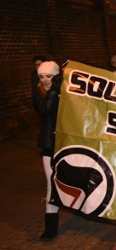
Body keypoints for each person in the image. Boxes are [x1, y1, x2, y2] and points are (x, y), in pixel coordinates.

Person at [32, 61, 62, 240]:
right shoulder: (44, 92)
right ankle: (50, 228)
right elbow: (45, 111)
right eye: (41, 76)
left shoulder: (61, 91)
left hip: (64, 142)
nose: (45, 80)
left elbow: (46, 110)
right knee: (51, 183)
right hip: (49, 144)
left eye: (49, 76)